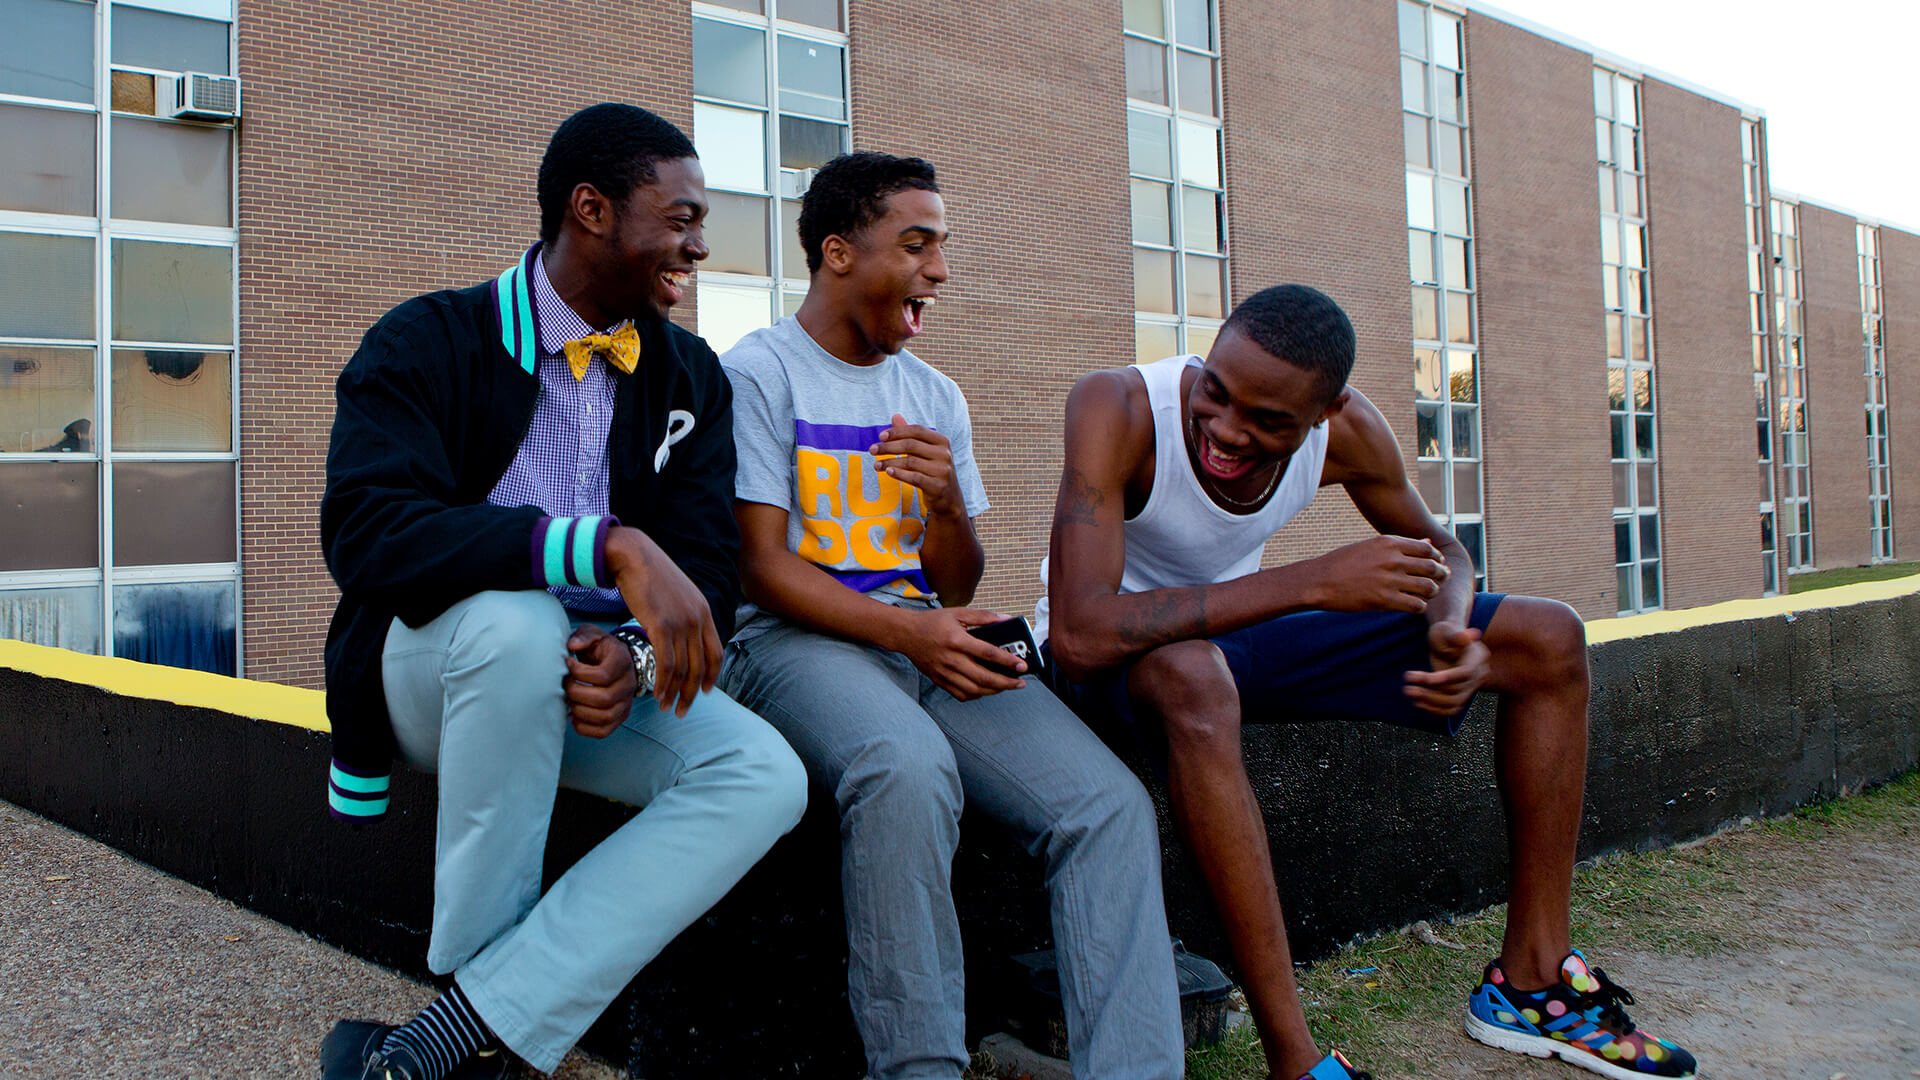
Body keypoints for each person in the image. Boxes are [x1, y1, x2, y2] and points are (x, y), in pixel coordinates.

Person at [1040, 285, 1697, 1080]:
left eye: (1267, 421)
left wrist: (1450, 625)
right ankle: (1296, 1059)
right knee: (1192, 673)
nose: (1224, 429)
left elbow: (1444, 553)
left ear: (1324, 414)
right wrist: (1312, 582)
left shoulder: (1350, 433)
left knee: (1548, 635)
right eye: (1216, 390)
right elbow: (1079, 635)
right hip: (1119, 667)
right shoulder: (1118, 406)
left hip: (1232, 645)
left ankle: (1533, 977)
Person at [316, 103, 807, 1080]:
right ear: (590, 209)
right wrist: (599, 546)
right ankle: (477, 1019)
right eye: (679, 218)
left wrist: (629, 652)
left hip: (593, 684)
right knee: (516, 622)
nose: (698, 246)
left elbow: (708, 565)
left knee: (765, 777)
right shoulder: (427, 339)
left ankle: (453, 1042)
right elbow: (365, 534)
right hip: (439, 671)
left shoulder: (690, 376)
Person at [715, 151, 1185, 1080]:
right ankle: (922, 1068)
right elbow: (759, 569)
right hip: (792, 643)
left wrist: (943, 509)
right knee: (905, 767)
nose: (940, 270)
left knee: (1107, 807)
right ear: (840, 253)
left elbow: (957, 584)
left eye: (942, 247)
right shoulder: (758, 375)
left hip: (927, 642)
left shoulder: (935, 397)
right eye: (917, 244)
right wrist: (910, 633)